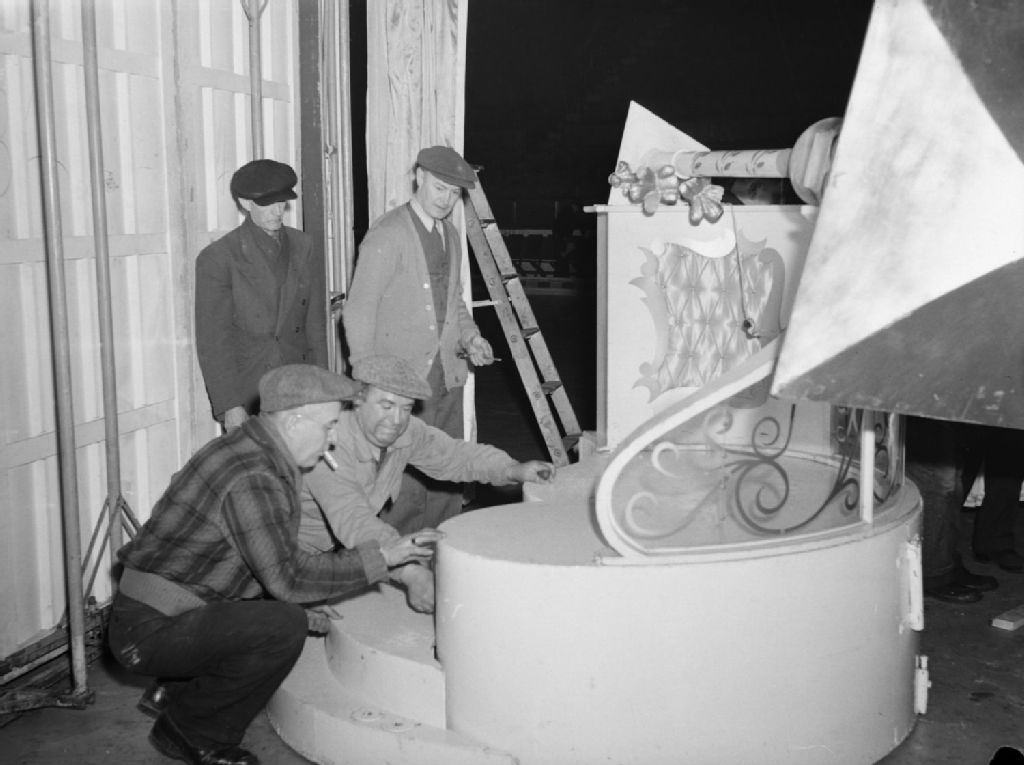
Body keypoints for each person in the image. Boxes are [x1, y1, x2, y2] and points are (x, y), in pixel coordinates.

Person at [107, 364, 442, 765]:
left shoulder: (250, 449)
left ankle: (174, 691)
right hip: (148, 629)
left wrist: (303, 594)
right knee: (282, 628)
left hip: (165, 607)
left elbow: (263, 559)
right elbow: (288, 578)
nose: (334, 439)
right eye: (329, 427)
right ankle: (192, 732)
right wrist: (382, 557)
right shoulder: (255, 476)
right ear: (295, 421)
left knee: (281, 609)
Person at [299, 354, 555, 613]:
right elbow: (353, 518)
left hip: (333, 547)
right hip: (291, 550)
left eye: (406, 408)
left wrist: (512, 470)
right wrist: (408, 571)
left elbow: (454, 456)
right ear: (358, 400)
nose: (396, 420)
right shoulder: (329, 444)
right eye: (386, 406)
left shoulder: (405, 431)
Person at [342, 145, 496, 534]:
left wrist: (471, 337)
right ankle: (400, 556)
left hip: (447, 379)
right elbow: (359, 310)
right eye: (440, 188)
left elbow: (454, 302)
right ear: (419, 177)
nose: (446, 200)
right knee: (404, 480)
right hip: (401, 384)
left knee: (448, 471)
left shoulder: (451, 236)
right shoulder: (388, 234)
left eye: (454, 193)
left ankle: (443, 549)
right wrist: (367, 380)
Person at [195, 159, 328, 431]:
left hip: (299, 384)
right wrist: (231, 406)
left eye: (282, 202)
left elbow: (315, 325)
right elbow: (214, 343)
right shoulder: (220, 257)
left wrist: (323, 387)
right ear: (246, 203)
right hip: (251, 392)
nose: (278, 211)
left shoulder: (304, 245)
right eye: (268, 204)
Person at [904, 415, 998, 603]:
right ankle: (933, 573)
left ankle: (947, 564)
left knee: (952, 483)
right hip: (924, 409)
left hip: (941, 411)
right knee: (937, 484)